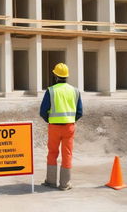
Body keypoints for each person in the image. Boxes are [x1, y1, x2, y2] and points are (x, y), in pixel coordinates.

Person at [40, 63, 83, 191]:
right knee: (67, 154)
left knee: (52, 153)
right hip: (69, 127)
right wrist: (70, 120)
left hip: (54, 127)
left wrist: (50, 120)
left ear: (55, 76)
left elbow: (43, 111)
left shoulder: (51, 91)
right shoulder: (75, 91)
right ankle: (65, 184)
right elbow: (80, 112)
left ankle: (51, 182)